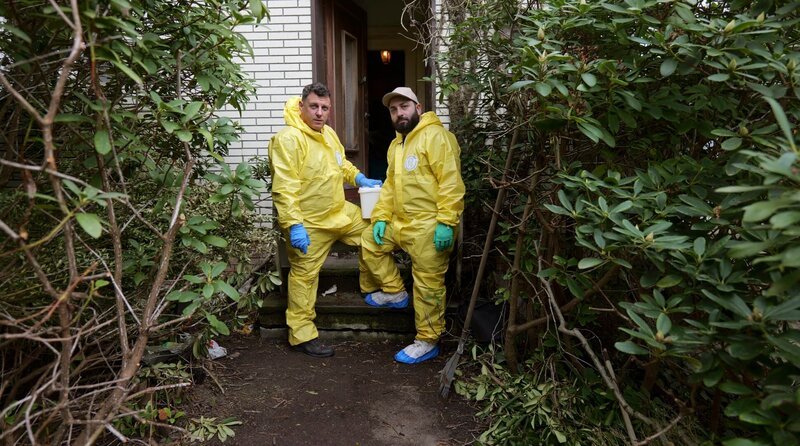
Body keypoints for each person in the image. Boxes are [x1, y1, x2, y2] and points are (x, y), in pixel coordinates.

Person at [269, 83, 382, 358]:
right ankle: (301, 334)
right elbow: (284, 187)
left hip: (339, 213)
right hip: (308, 224)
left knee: (376, 230)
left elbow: (341, 163)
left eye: (325, 108)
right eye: (314, 107)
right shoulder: (288, 139)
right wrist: (293, 225)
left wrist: (358, 178)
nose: (319, 113)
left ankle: (375, 287)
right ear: (301, 107)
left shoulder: (328, 133)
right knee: (304, 278)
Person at [359, 87, 465, 364]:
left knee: (429, 287)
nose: (399, 113)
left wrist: (446, 222)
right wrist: (381, 216)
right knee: (370, 240)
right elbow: (391, 186)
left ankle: (428, 340)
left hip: (431, 227)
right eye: (393, 110)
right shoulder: (397, 144)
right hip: (402, 224)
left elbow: (451, 183)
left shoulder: (436, 137)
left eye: (404, 106)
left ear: (418, 108)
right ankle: (395, 292)